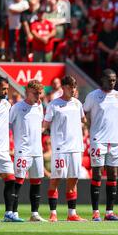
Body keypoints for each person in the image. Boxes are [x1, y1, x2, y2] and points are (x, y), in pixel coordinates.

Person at [43, 76, 87, 222]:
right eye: (70, 87)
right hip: (60, 148)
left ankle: (71, 214)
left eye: (74, 87)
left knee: (73, 180)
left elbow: (83, 120)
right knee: (55, 179)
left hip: (75, 148)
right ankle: (53, 213)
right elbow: (46, 124)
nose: (73, 89)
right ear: (63, 87)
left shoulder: (77, 104)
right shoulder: (54, 104)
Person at [83, 69, 118, 221]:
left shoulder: (117, 95)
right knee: (97, 174)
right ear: (102, 79)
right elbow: (84, 114)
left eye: (114, 80)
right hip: (98, 140)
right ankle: (96, 212)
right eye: (110, 80)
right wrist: (90, 129)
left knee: (113, 174)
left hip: (114, 141)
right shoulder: (93, 96)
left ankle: (109, 212)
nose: (113, 82)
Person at [9, 80, 47, 222]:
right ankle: (13, 212)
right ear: (27, 92)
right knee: (18, 181)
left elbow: (39, 126)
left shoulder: (39, 107)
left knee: (36, 182)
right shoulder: (17, 107)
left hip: (37, 150)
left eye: (39, 93)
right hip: (23, 151)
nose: (38, 96)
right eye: (35, 93)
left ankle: (34, 214)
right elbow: (8, 125)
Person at [0, 76, 21, 222]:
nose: (6, 91)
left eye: (7, 89)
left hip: (4, 151)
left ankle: (9, 213)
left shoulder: (7, 105)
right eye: (3, 89)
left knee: (10, 179)